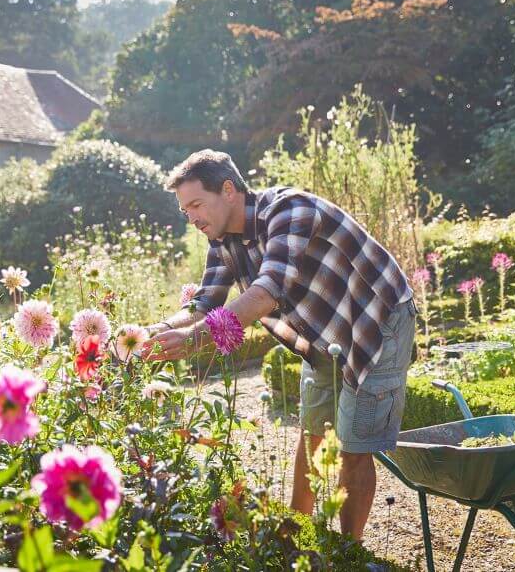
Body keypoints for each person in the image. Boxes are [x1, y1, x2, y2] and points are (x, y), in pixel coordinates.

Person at [141, 149, 416, 541]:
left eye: (197, 205)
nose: (193, 218)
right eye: (186, 211)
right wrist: (156, 330)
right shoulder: (223, 240)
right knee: (312, 433)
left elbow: (267, 291)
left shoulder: (289, 211)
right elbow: (204, 303)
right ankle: (294, 539)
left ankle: (348, 553)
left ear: (229, 190)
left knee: (354, 447)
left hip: (376, 317)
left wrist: (193, 338)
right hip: (325, 331)